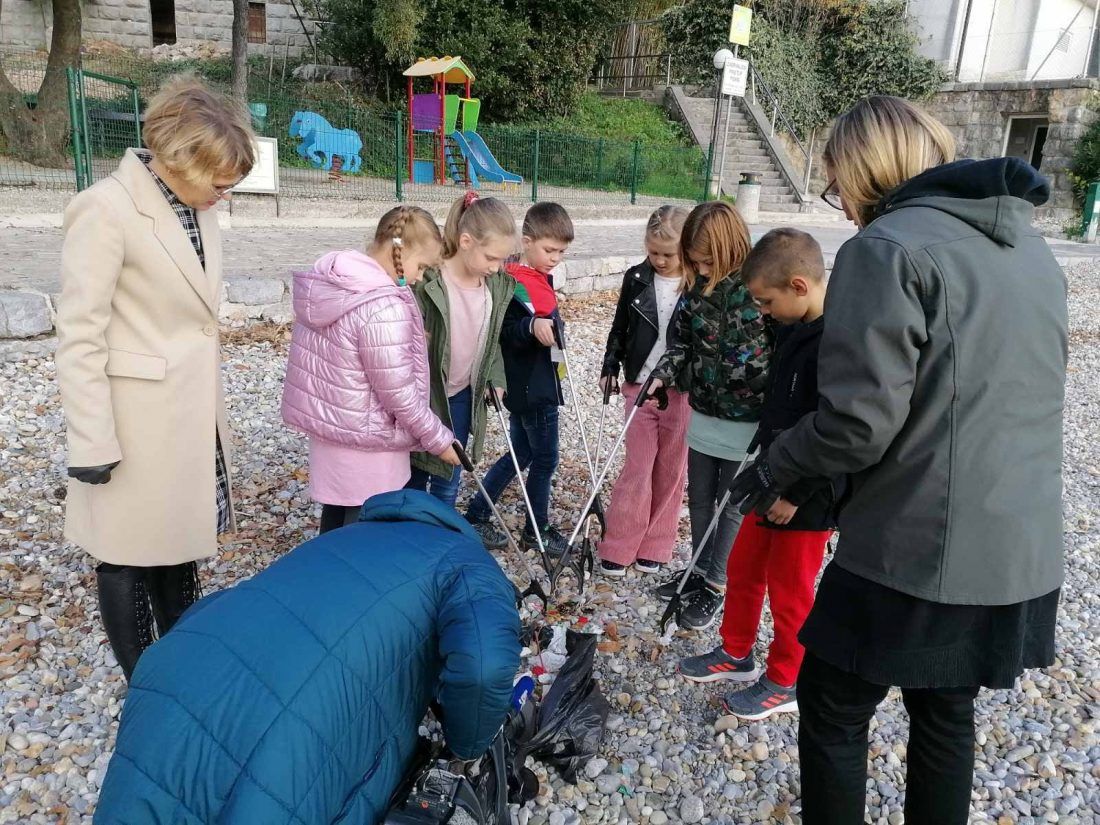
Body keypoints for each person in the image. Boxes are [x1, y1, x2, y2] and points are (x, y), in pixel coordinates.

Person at [726, 96, 1067, 824]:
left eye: (836, 184)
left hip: (920, 544)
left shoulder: (886, 248)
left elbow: (856, 425)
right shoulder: (1029, 248)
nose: (841, 205)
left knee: (832, 702)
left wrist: (774, 464)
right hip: (1018, 544)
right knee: (945, 712)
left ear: (864, 170)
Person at [93, 490, 522, 824]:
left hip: (180, 665)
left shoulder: (350, 533)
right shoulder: (470, 560)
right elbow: (485, 666)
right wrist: (467, 745)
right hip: (295, 716)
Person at [54, 78, 255, 682]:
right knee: (125, 553)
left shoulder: (196, 206)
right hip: (134, 421)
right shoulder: (106, 208)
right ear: (177, 158)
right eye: (219, 180)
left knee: (179, 540)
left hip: (187, 413)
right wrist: (90, 440)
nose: (226, 193)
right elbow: (79, 334)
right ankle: (143, 679)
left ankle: (182, 659)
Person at [679, 228, 837, 721]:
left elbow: (836, 429)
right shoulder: (791, 329)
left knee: (792, 592)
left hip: (805, 498)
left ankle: (786, 679)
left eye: (766, 302)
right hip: (770, 478)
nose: (762, 313)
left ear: (798, 286)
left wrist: (797, 490)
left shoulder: (835, 343)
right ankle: (736, 651)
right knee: (744, 569)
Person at [281, 206, 460, 534]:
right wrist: (440, 441)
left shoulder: (335, 283)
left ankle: (327, 582)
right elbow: (399, 393)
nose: (419, 277)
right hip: (368, 441)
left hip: (332, 433)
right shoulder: (382, 304)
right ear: (399, 250)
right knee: (364, 531)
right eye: (421, 266)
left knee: (336, 522)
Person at [647, 202, 772, 631]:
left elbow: (783, 347)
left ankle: (718, 582)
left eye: (706, 259)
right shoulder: (694, 291)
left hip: (748, 418)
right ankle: (699, 569)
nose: (700, 267)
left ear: (730, 248)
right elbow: (679, 345)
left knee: (732, 504)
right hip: (704, 409)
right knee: (699, 497)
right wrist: (665, 374)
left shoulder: (759, 289)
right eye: (695, 260)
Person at [465, 202, 575, 553]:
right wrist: (531, 325)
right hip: (531, 386)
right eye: (549, 249)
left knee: (520, 455)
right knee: (545, 460)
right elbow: (506, 332)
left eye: (561, 251)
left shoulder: (537, 279)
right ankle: (537, 529)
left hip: (539, 380)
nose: (555, 257)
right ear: (526, 242)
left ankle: (478, 511)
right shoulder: (513, 284)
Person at [597, 205, 692, 577]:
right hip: (638, 383)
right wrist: (609, 365)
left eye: (669, 254)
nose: (661, 260)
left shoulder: (698, 284)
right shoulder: (636, 277)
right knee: (637, 466)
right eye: (654, 252)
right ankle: (619, 543)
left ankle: (657, 543)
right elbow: (619, 327)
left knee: (671, 467)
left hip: (680, 391)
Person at [407, 192, 516, 510]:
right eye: (491, 258)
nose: (497, 268)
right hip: (424, 397)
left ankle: (439, 541)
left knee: (449, 477)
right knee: (413, 473)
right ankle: (406, 539)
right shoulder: (429, 281)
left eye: (502, 260)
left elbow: (492, 338)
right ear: (466, 241)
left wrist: (496, 377)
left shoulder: (494, 287)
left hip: (462, 397)